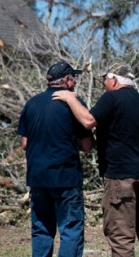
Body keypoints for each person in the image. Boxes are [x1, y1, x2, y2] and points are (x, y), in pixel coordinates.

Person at [52, 63, 139, 257]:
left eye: (104, 79)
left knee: (121, 237)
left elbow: (88, 121)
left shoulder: (111, 98)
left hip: (120, 178)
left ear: (113, 79)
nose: (104, 83)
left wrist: (70, 98)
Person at [17, 61, 94, 257]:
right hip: (65, 176)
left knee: (41, 229)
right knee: (70, 230)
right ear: (67, 79)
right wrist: (72, 142)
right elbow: (87, 146)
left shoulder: (32, 103)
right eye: (73, 78)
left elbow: (24, 143)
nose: (75, 82)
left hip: (38, 177)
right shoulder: (74, 103)